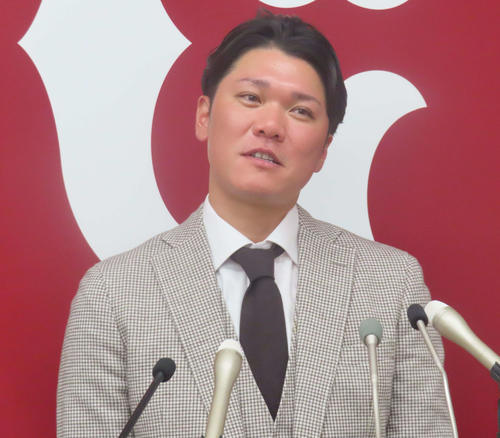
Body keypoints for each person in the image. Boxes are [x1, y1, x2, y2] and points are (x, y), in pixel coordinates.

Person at [57, 11, 453, 437]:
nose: (270, 126)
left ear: (323, 150)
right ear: (204, 116)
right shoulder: (113, 294)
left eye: (300, 111)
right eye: (250, 98)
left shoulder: (391, 285)